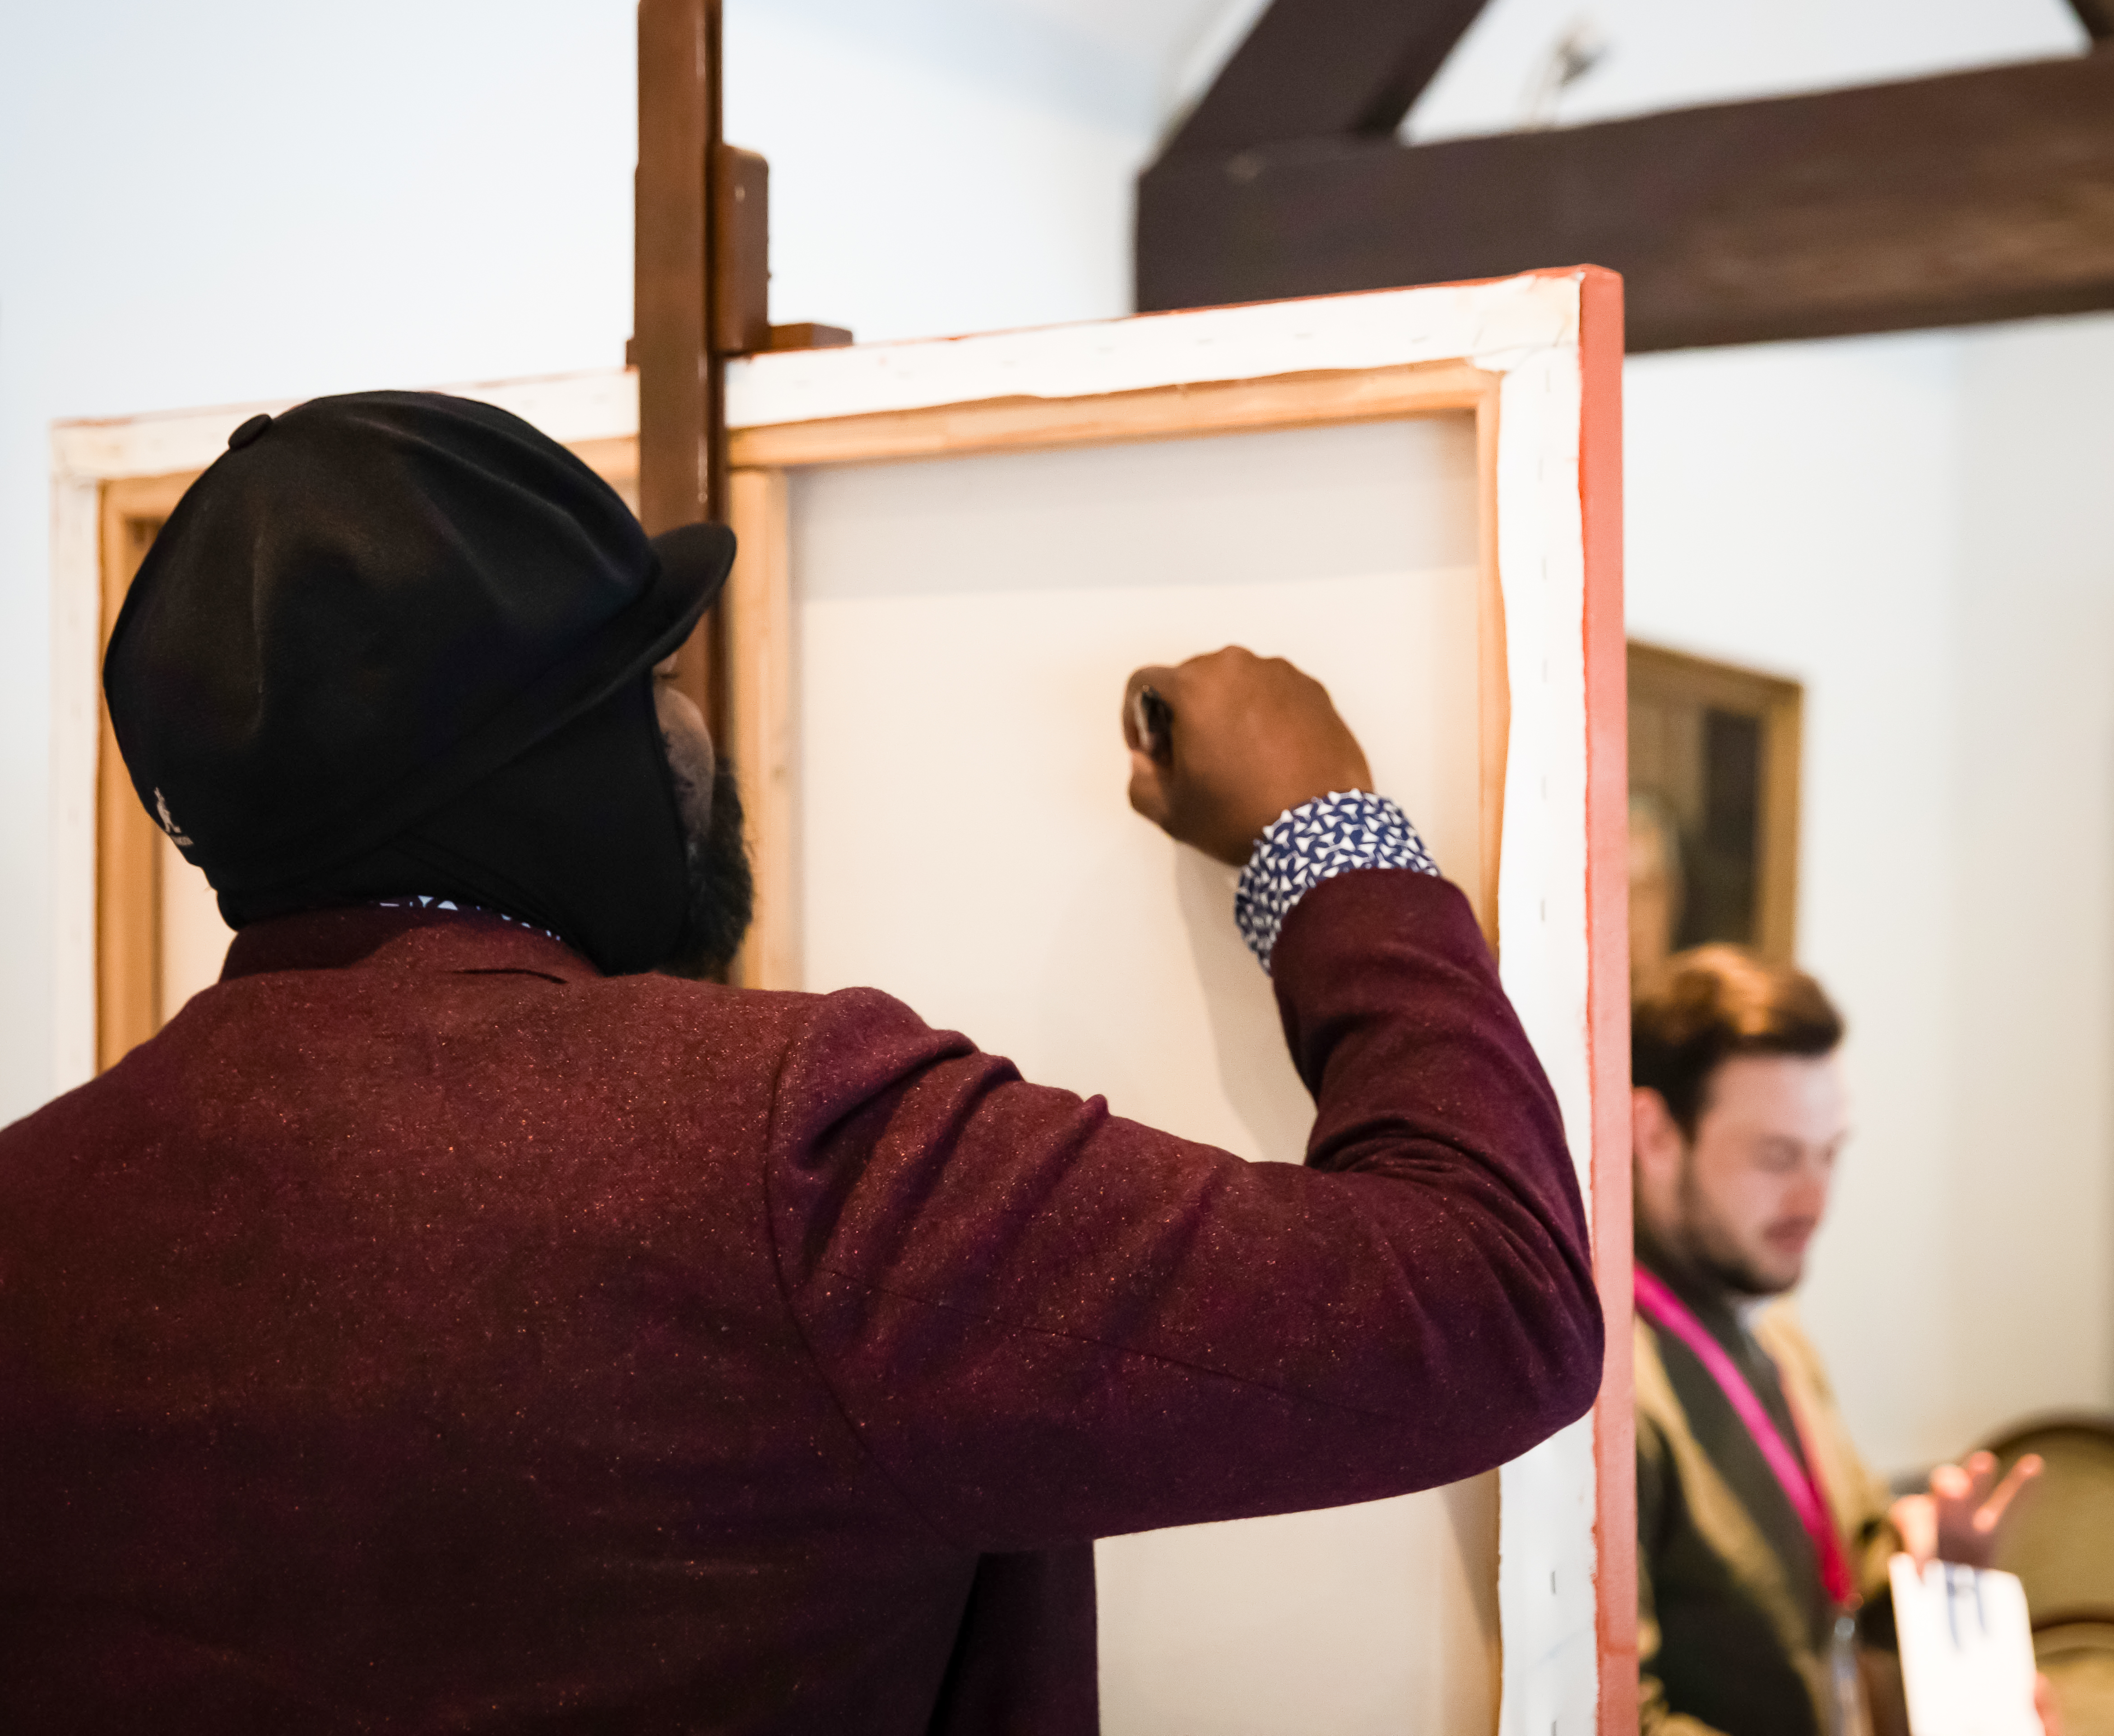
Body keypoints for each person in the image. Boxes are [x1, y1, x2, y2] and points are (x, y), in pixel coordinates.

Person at [0, 390, 1603, 1734]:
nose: (688, 728)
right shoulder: (783, 1154)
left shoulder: (31, 1209)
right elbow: (1489, 1299)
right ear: (555, 760)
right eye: (655, 681)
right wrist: (1323, 843)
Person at [1633, 945, 2050, 1736]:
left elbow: (1843, 1560)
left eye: (1831, 1153)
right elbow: (1625, 1717)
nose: (1816, 1200)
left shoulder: (1777, 1328)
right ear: (1654, 1134)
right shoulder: (1602, 1382)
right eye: (1777, 1156)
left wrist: (1925, 1567)